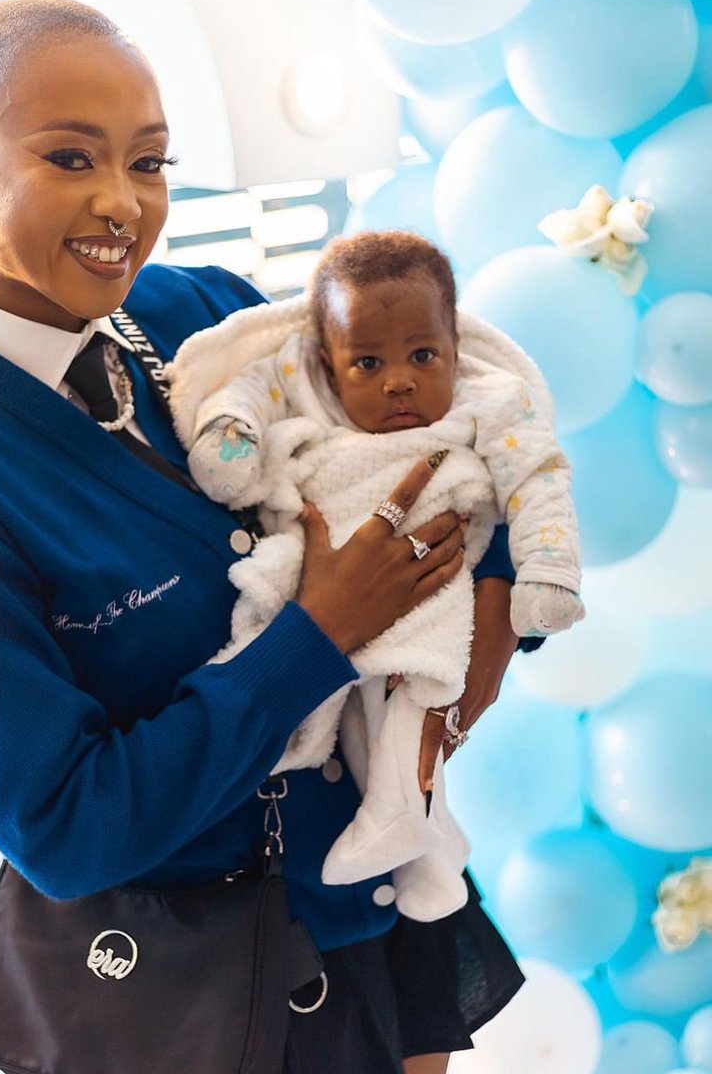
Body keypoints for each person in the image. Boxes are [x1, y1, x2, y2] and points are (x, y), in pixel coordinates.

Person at [0, 0, 530, 1074]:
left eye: (151, 163)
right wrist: (314, 638)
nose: (121, 203)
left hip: (369, 917)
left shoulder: (206, 318)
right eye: (70, 158)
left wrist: (494, 593)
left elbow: (417, 436)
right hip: (201, 992)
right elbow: (66, 828)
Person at [169, 230, 584, 922]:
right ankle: (427, 851)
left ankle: (408, 822)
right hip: (326, 578)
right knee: (345, 713)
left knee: (412, 700)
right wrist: (231, 434)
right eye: (366, 363)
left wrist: (541, 571)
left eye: (423, 355)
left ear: (455, 344)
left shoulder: (487, 399)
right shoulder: (300, 375)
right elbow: (245, 389)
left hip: (439, 574)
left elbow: (537, 481)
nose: (398, 380)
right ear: (328, 365)